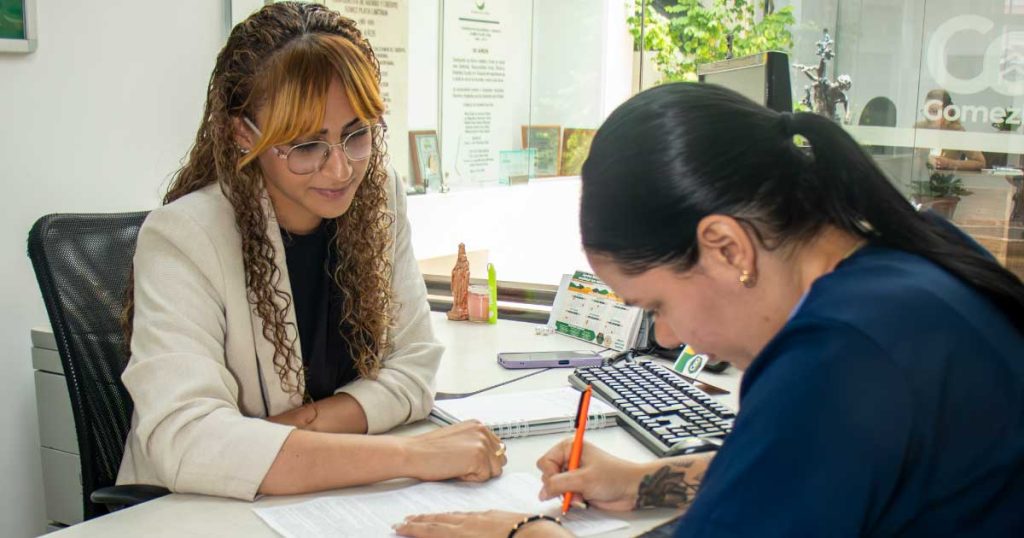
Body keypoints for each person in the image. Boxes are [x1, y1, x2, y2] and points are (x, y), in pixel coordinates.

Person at [395, 82, 1024, 537]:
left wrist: (528, 534)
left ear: (726, 248)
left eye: (657, 306)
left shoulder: (838, 353)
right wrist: (645, 482)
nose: (667, 337)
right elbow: (811, 467)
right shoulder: (916, 255)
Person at [116, 2, 506, 501]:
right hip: (197, 507)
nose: (340, 169)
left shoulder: (378, 196)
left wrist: (290, 435)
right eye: (305, 146)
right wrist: (413, 456)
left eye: (357, 135)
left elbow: (413, 367)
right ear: (243, 134)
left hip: (316, 499)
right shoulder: (184, 236)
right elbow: (189, 440)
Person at [916, 89, 987, 171]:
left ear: (948, 112)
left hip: (945, 177)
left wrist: (949, 163)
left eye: (935, 112)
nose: (929, 116)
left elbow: (980, 162)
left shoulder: (956, 132)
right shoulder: (919, 128)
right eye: (927, 112)